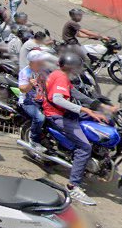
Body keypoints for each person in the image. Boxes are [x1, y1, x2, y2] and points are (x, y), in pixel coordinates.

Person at [43, 53, 107, 206]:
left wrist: (98, 105)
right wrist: (84, 109)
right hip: (57, 115)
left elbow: (73, 92)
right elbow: (57, 99)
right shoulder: (60, 77)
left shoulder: (60, 75)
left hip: (65, 113)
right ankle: (73, 185)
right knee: (84, 147)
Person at [19, 50, 51, 152]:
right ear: (33, 62)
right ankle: (34, 140)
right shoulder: (25, 72)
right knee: (40, 118)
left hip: (43, 99)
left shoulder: (43, 70)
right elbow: (22, 89)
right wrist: (30, 85)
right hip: (28, 101)